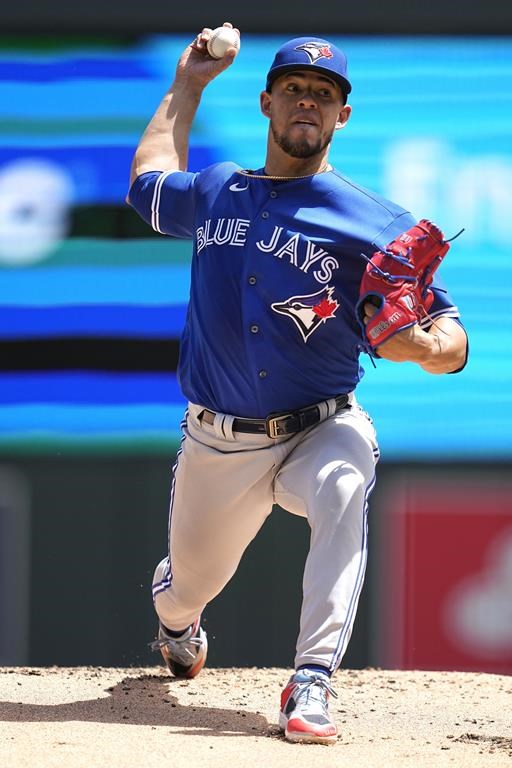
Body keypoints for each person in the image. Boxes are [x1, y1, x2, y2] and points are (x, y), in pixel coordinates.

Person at [127, 24, 468, 745]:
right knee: (189, 585)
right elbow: (148, 183)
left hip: (321, 423)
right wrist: (187, 84)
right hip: (220, 441)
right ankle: (178, 620)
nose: (308, 103)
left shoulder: (377, 223)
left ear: (343, 115)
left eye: (324, 93)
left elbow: (453, 338)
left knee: (346, 483)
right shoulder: (221, 189)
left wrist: (424, 348)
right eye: (294, 90)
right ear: (267, 103)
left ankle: (311, 680)